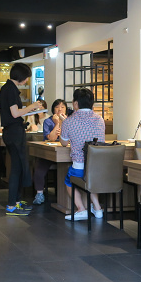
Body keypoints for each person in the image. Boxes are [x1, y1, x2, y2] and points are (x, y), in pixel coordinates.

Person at [0, 62, 43, 216]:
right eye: (26, 77)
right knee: (16, 169)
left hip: (12, 132)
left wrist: (29, 109)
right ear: (21, 76)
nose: (27, 80)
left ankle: (16, 201)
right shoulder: (10, 89)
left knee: (17, 168)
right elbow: (15, 113)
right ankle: (12, 205)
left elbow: (15, 112)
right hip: (14, 133)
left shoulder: (8, 88)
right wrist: (32, 107)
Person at [60, 88, 106, 221]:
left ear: (75, 103)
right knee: (91, 179)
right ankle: (97, 208)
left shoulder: (69, 121)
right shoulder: (100, 119)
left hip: (80, 166)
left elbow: (64, 143)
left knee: (68, 181)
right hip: (99, 166)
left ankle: (81, 209)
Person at [31, 98, 67, 205]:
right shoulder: (48, 121)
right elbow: (51, 138)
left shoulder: (69, 120)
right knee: (40, 168)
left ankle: (66, 196)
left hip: (65, 152)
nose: (60, 109)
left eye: (62, 107)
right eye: (57, 107)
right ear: (53, 109)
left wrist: (64, 123)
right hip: (49, 151)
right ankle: (39, 194)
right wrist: (57, 124)